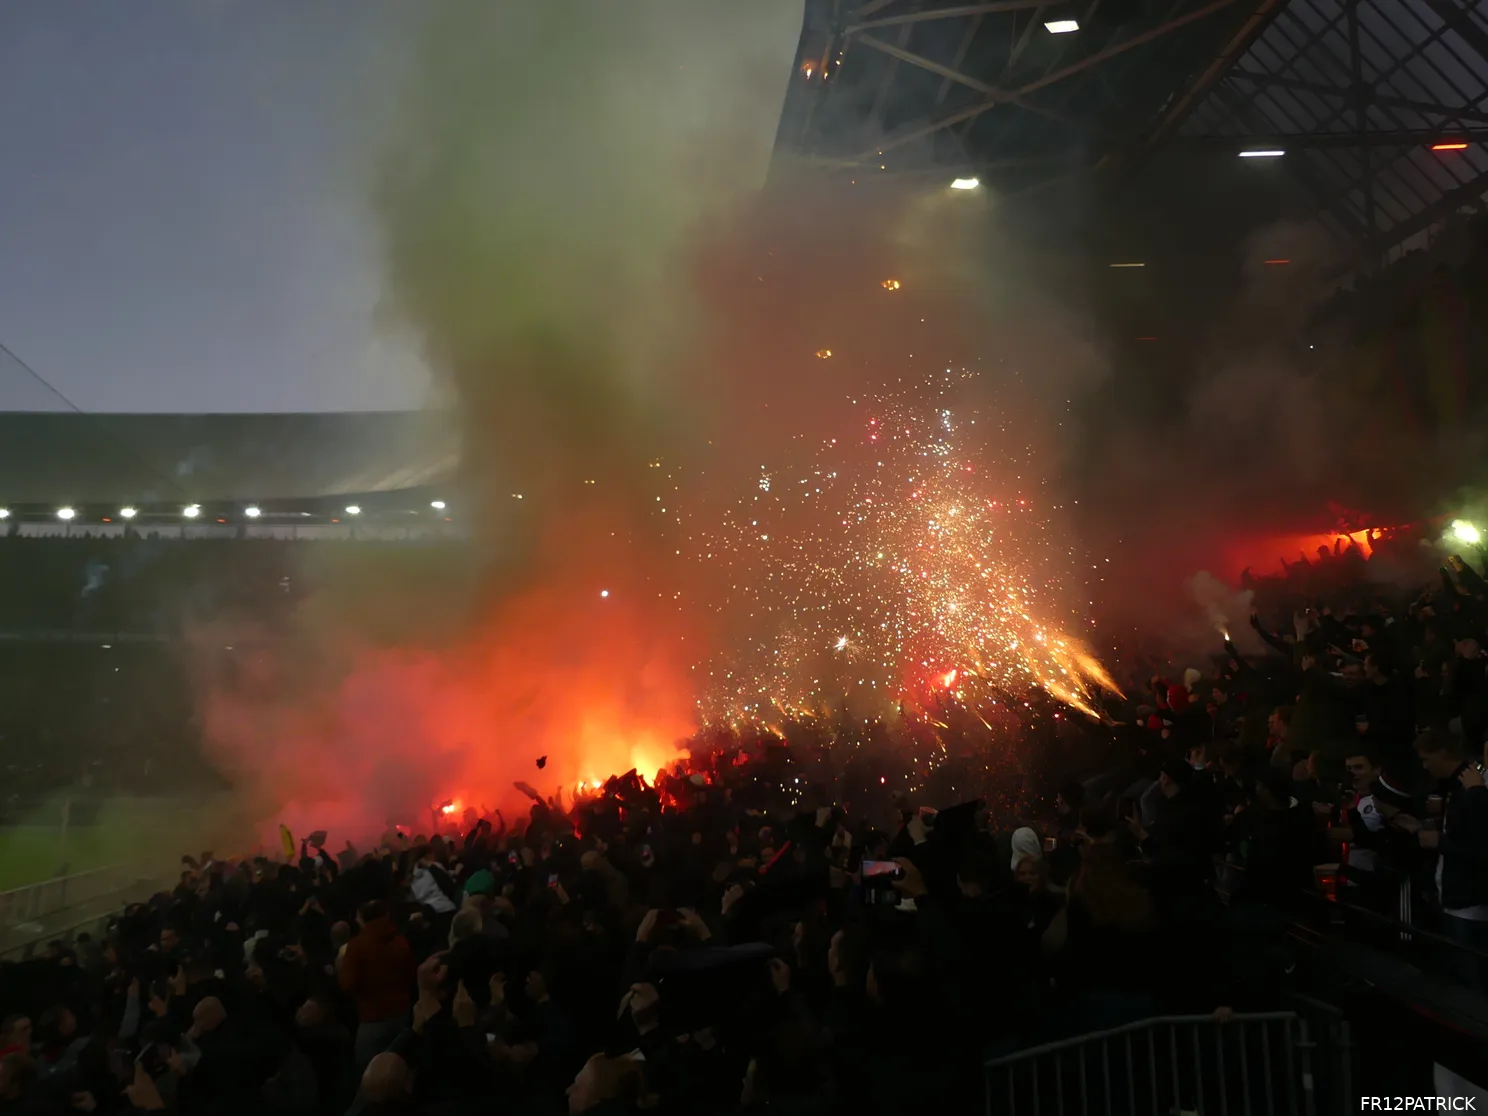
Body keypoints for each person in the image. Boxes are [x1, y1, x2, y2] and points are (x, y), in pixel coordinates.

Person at [1415, 731, 1488, 990]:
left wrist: (1440, 842)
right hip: (1454, 898)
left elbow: (1481, 847)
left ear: (1443, 753)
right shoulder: (1457, 787)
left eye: (1427, 759)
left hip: (1468, 903)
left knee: (1472, 986)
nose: (1425, 766)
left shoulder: (1475, 788)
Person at [339, 901, 416, 1072]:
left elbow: (347, 985)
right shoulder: (401, 941)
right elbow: (411, 976)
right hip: (402, 1012)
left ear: (361, 919)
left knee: (367, 1071)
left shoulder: (357, 946)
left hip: (373, 1018)